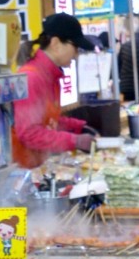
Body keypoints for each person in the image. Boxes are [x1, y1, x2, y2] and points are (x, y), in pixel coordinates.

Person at [12, 13, 97, 168]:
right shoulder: (32, 78)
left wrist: (77, 127)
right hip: (22, 171)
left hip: (38, 166)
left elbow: (48, 121)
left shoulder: (50, 75)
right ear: (56, 43)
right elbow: (29, 133)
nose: (76, 55)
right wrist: (74, 141)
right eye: (75, 47)